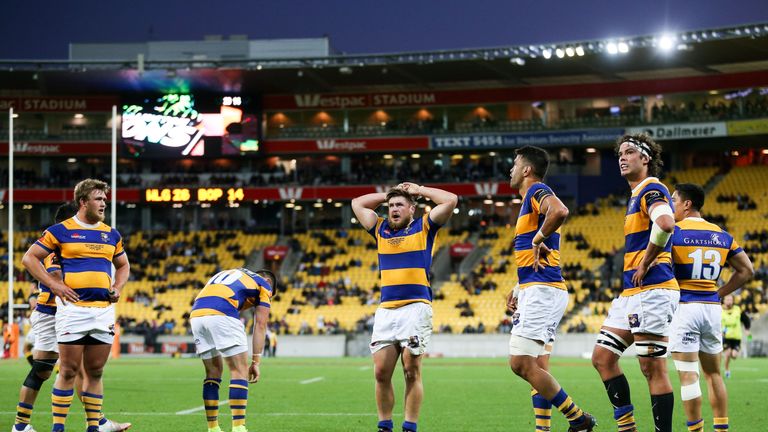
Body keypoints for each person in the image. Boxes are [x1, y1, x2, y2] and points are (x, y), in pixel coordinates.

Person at [22, 179, 130, 432]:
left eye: (105, 199)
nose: (104, 203)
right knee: (69, 371)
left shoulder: (111, 233)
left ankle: (94, 427)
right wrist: (55, 285)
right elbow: (30, 259)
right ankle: (57, 428)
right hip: (73, 311)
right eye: (98, 198)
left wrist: (118, 287)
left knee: (95, 372)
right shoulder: (60, 230)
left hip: (103, 310)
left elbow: (123, 265)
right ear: (83, 202)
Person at [352, 182, 457, 432]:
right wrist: (389, 194)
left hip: (416, 308)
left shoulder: (424, 226)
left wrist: (419, 190)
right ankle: (384, 426)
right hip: (386, 310)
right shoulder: (379, 229)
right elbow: (357, 203)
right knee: (380, 372)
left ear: (412, 209)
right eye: (390, 206)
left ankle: (409, 427)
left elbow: (450, 200)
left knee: (411, 370)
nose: (393, 209)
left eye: (400, 205)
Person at [591, 134, 679, 432]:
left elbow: (666, 223)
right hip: (632, 292)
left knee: (652, 368)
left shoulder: (651, 188)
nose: (622, 157)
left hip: (653, 289)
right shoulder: (636, 194)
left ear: (646, 159)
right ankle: (627, 428)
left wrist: (645, 260)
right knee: (603, 358)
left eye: (629, 152)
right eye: (619, 154)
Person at [505, 146, 596, 432]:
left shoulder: (536, 191)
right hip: (538, 287)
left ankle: (578, 418)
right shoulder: (528, 201)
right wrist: (519, 286)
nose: (511, 170)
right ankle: (543, 429)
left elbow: (559, 210)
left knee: (520, 363)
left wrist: (538, 238)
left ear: (527, 170)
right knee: (537, 366)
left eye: (515, 164)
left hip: (543, 291)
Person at [669, 183, 754, 432]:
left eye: (674, 200)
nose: (670, 205)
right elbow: (747, 270)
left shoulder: (672, 231)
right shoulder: (721, 234)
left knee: (688, 375)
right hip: (711, 308)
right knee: (713, 374)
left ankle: (696, 430)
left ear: (687, 204)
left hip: (685, 306)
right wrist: (720, 293)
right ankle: (721, 429)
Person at [190, 268, 275, 432]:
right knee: (239, 370)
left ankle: (213, 428)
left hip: (197, 315)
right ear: (269, 282)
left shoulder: (231, 273)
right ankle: (238, 428)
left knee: (213, 372)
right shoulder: (265, 284)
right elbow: (261, 325)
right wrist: (256, 361)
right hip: (222, 312)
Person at [721, 294, 751, 378]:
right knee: (727, 353)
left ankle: (733, 353)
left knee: (733, 355)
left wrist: (747, 329)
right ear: (723, 300)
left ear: (733, 300)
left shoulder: (738, 309)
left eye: (730, 300)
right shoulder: (719, 310)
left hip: (737, 337)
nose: (729, 301)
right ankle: (727, 370)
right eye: (727, 299)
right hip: (726, 337)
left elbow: (746, 320)